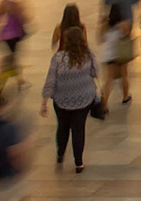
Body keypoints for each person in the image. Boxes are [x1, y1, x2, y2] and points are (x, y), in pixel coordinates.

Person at [42, 22, 98, 171]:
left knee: (62, 126)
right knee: (79, 129)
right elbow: (95, 72)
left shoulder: (58, 58)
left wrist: (44, 101)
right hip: (84, 98)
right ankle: (78, 162)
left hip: (62, 99)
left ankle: (60, 153)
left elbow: (50, 80)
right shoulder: (87, 54)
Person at [97, 3, 136, 106]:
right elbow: (128, 36)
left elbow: (100, 38)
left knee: (108, 79)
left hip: (108, 54)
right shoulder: (124, 24)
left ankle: (104, 104)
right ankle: (125, 96)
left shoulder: (105, 25)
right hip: (120, 53)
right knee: (124, 75)